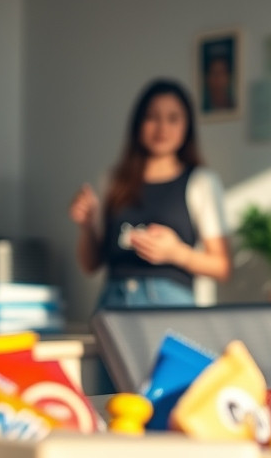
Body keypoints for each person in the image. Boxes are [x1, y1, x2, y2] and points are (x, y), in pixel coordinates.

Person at [69, 79, 230, 309]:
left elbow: (222, 267)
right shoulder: (114, 180)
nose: (162, 128)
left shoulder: (200, 182)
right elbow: (91, 265)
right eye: (153, 117)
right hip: (113, 302)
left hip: (169, 302)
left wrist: (176, 253)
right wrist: (86, 226)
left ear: (187, 126)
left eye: (173, 118)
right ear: (139, 123)